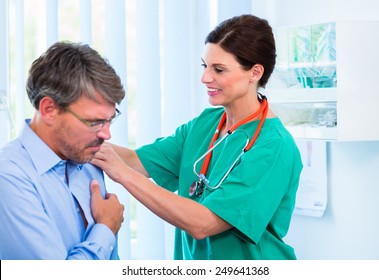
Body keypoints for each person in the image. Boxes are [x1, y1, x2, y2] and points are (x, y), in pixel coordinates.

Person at [92, 14, 303, 260]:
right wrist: (81, 137)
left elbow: (203, 223)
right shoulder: (206, 124)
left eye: (219, 69)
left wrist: (122, 174)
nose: (205, 78)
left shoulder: (274, 146)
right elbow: (135, 161)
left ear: (255, 73)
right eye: (205, 66)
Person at [0, 42, 125, 260]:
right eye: (94, 121)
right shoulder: (9, 178)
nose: (107, 134)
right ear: (49, 110)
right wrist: (106, 228)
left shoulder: (87, 159)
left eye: (110, 120)